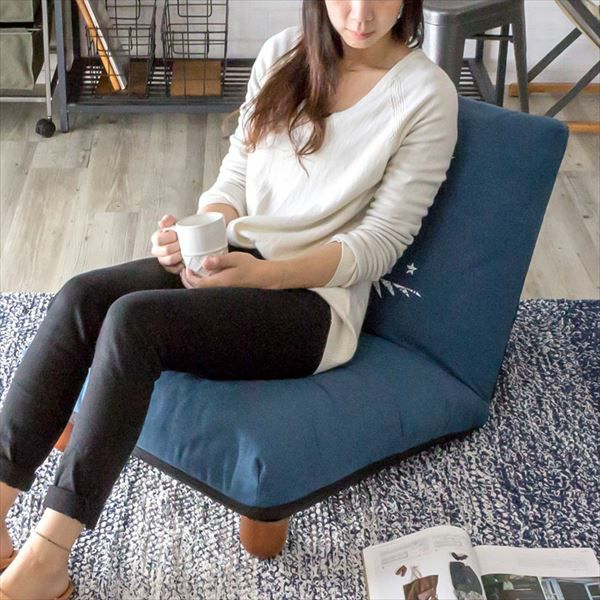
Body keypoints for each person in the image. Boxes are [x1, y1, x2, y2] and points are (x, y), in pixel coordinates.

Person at [0, 0, 458, 597]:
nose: (362, 13)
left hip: (312, 306)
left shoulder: (426, 94)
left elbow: (380, 244)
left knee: (134, 322)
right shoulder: (282, 54)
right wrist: (198, 236)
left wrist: (262, 276)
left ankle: (48, 557)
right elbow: (237, 173)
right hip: (236, 259)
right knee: (81, 297)